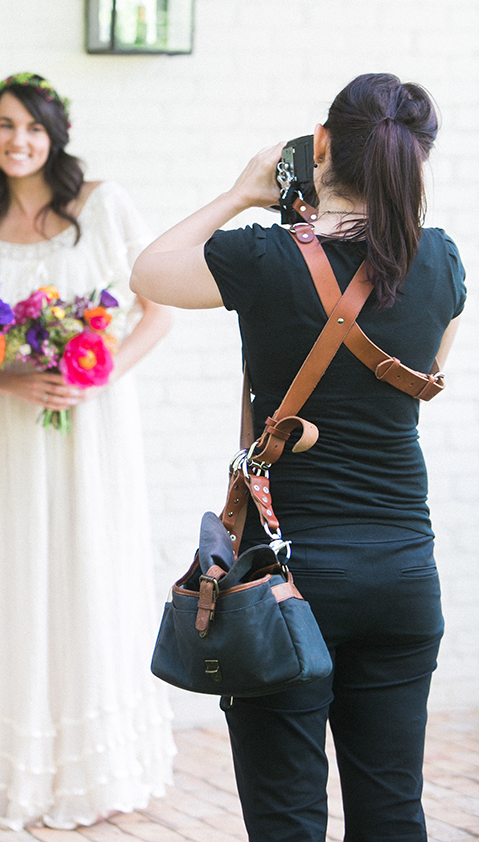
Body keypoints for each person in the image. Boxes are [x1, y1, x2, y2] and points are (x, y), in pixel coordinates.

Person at [130, 73, 465, 842]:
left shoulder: (261, 256)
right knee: (393, 813)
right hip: (402, 575)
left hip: (282, 584)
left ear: (319, 145)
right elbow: (421, 375)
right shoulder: (441, 260)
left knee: (285, 819)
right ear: (414, 161)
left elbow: (150, 270)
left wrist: (242, 192)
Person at [0, 73, 176, 830]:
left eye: (32, 126)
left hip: (97, 421)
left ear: (55, 134)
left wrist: (97, 376)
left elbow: (159, 310)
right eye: (4, 126)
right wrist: (13, 382)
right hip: (21, 428)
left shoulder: (102, 204)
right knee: (28, 577)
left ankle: (103, 769)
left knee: (95, 569)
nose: (18, 140)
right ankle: (33, 769)